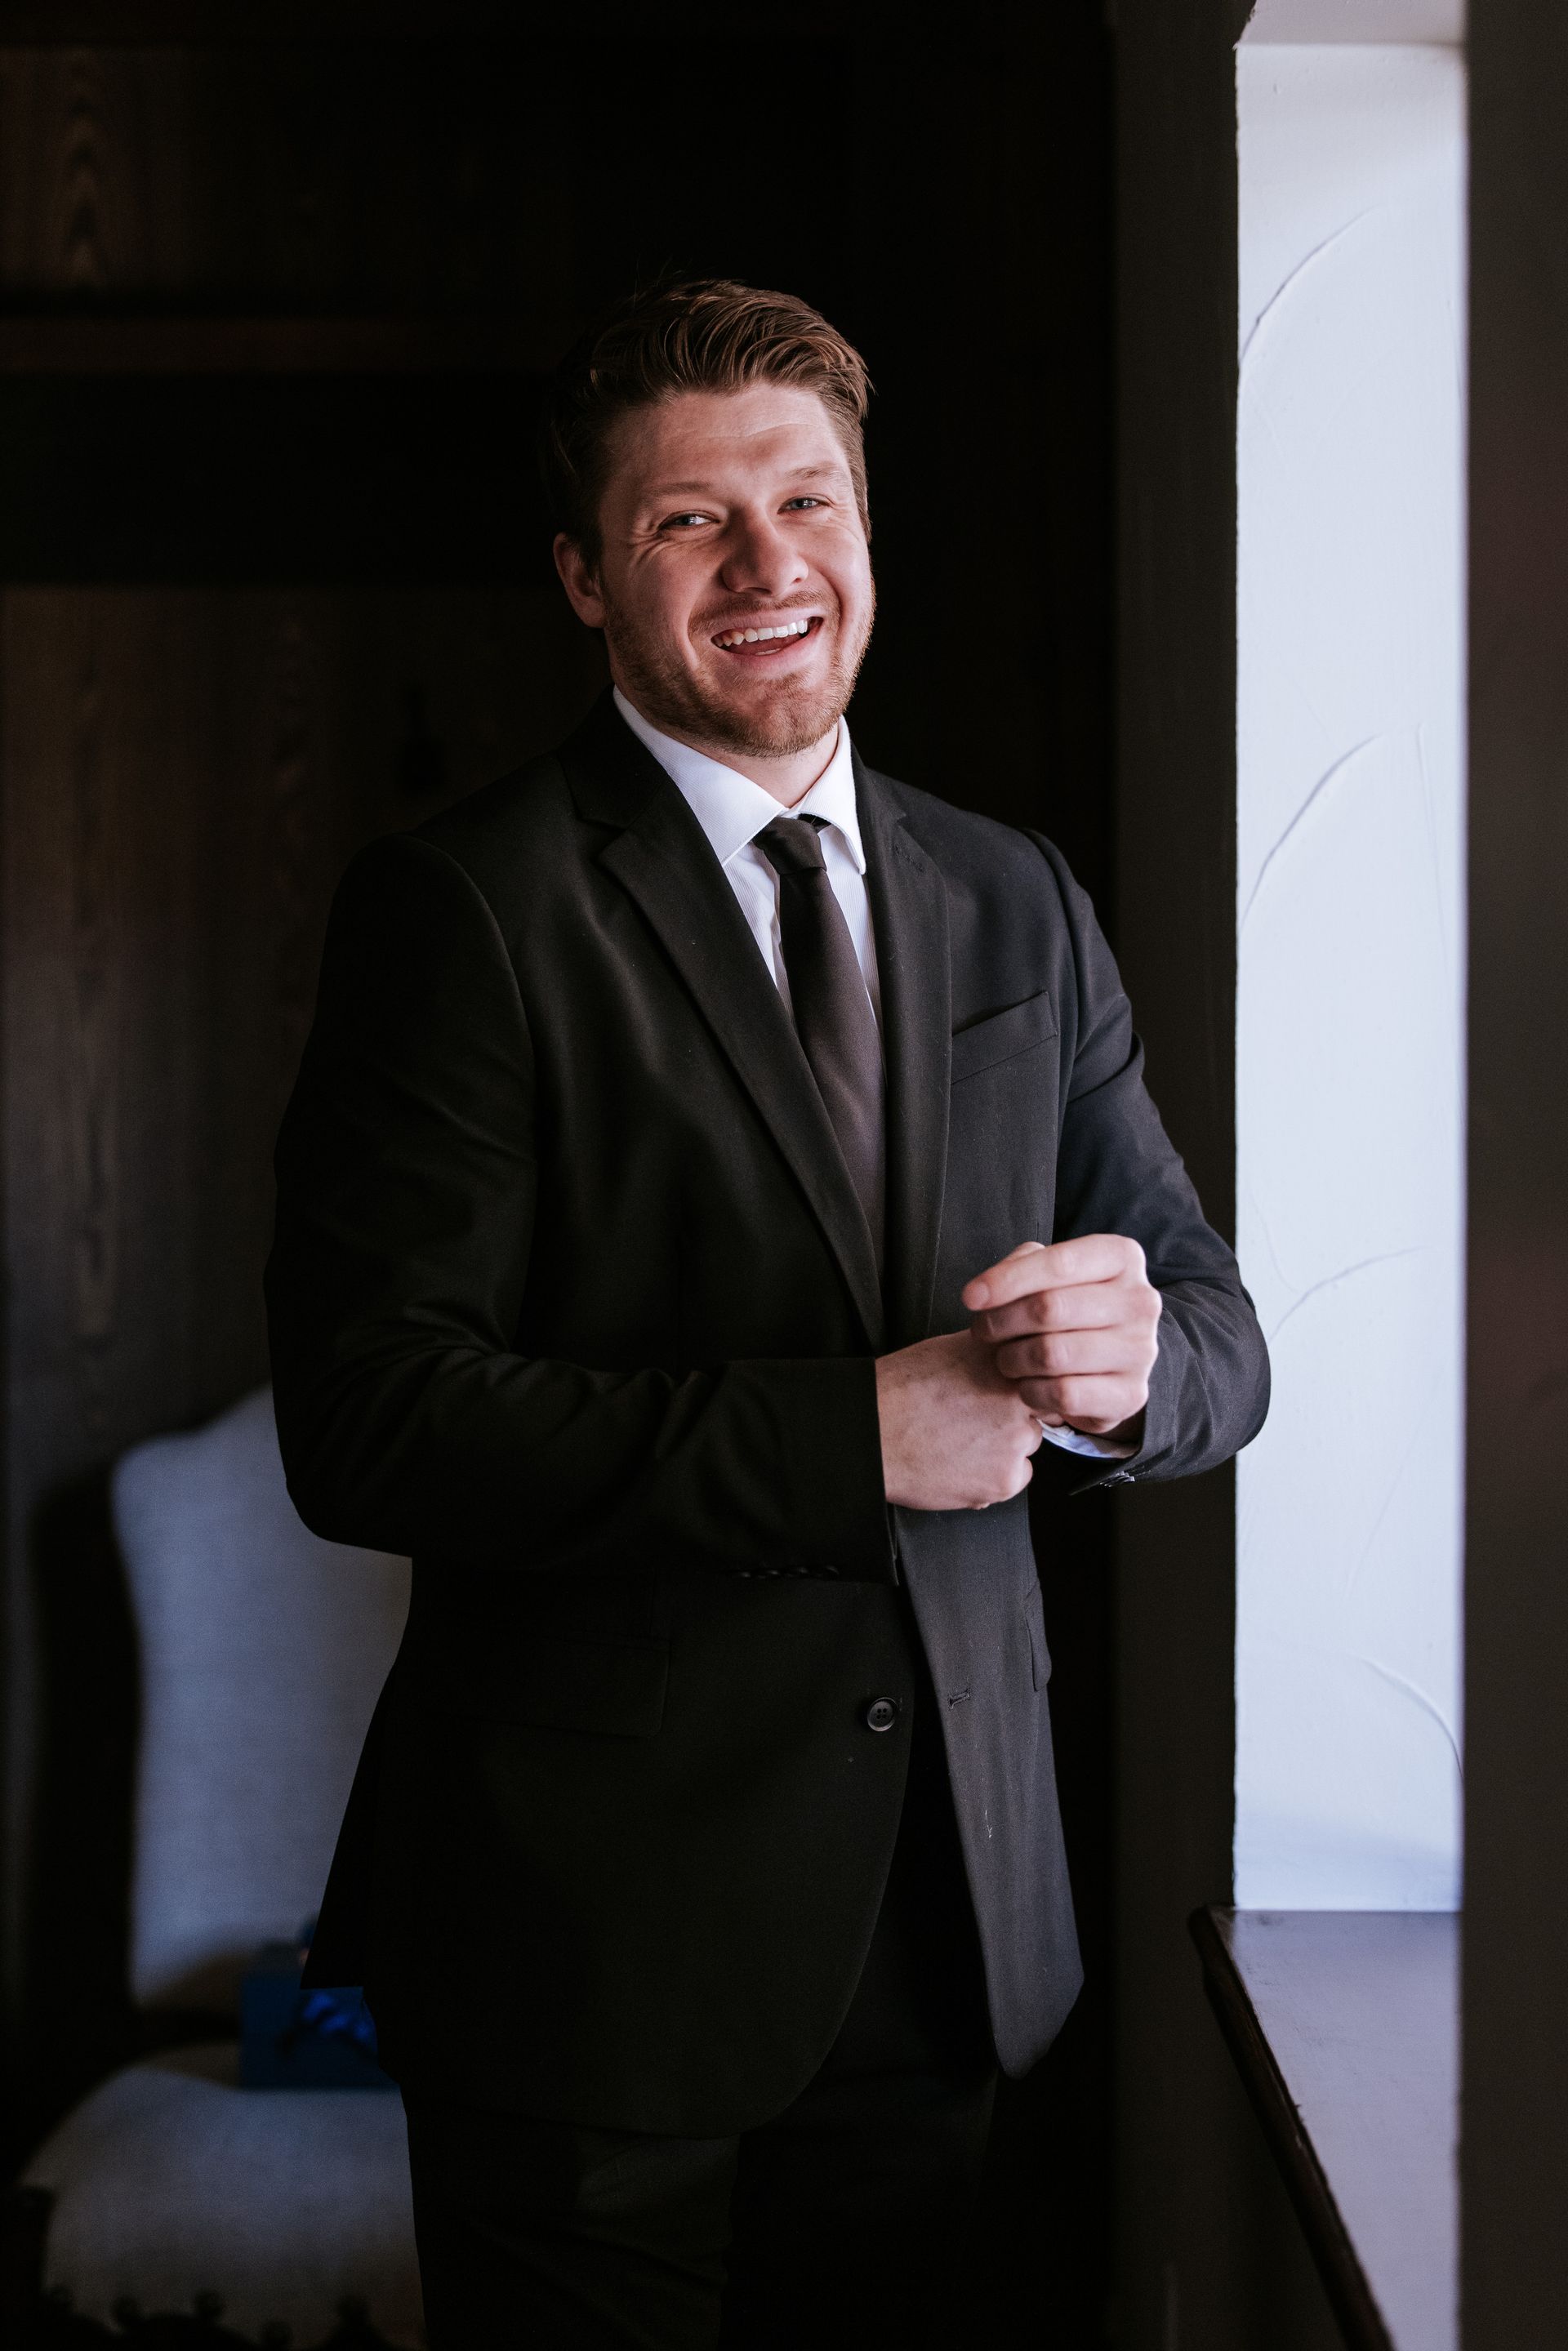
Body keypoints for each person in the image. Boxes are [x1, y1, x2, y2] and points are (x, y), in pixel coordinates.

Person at [265, 278, 1268, 2349]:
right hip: (587, 1954)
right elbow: (368, 1419)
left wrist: (1134, 1369)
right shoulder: (465, 908)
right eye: (686, 524)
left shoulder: (1019, 899)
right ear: (584, 576)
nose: (767, 567)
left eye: (808, 501)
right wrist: (849, 1436)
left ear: (870, 530)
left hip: (955, 1922)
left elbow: (1218, 1335)